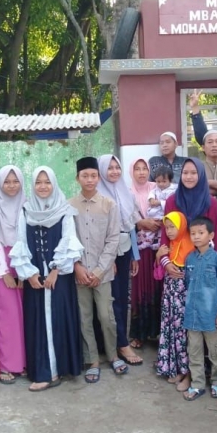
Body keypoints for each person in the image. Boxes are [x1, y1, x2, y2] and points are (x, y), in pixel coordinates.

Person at [10, 167, 85, 392]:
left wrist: (56, 270)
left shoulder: (65, 211)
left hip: (58, 277)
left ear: (54, 184)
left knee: (58, 319)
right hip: (34, 275)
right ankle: (44, 371)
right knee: (39, 323)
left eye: (47, 182)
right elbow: (21, 241)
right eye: (38, 182)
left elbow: (68, 239)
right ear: (33, 185)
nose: (43, 186)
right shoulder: (25, 210)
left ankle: (59, 368)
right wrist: (29, 273)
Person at [69, 157, 128, 383]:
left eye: (94, 175)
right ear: (78, 178)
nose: (90, 179)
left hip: (103, 273)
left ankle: (112, 355)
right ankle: (92, 359)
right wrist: (77, 267)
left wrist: (100, 270)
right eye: (85, 175)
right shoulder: (69, 205)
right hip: (79, 273)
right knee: (84, 317)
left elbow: (113, 239)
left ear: (98, 177)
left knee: (106, 315)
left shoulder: (109, 205)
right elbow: (68, 239)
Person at [96, 154, 143, 366]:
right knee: (110, 299)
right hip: (106, 254)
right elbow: (99, 232)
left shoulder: (125, 192)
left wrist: (134, 254)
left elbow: (130, 226)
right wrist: (109, 258)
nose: (114, 171)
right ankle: (118, 343)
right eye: (109, 168)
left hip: (124, 251)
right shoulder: (98, 195)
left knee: (123, 298)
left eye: (117, 167)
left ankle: (120, 342)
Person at [0, 165, 26, 385]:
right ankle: (7, 364)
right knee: (7, 317)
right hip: (3, 266)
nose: (11, 186)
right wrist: (5, 272)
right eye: (7, 182)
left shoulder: (28, 205)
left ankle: (27, 361)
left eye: (15, 181)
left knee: (28, 315)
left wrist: (24, 269)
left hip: (26, 263)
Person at [182, 216, 217, 401]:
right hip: (192, 316)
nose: (196, 237)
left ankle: (216, 381)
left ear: (210, 235)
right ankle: (197, 385)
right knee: (194, 352)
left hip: (212, 317)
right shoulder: (189, 259)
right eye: (193, 233)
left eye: (200, 233)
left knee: (215, 351)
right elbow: (187, 283)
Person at [155, 211, 193, 390]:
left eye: (173, 227)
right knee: (172, 330)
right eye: (167, 228)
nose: (169, 231)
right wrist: (160, 258)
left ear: (182, 226)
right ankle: (174, 368)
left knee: (183, 334)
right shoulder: (169, 245)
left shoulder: (192, 245)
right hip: (170, 300)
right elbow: (159, 270)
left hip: (185, 302)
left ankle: (186, 372)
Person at [128, 158, 162, 349]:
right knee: (140, 289)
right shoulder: (127, 192)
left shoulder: (156, 189)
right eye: (137, 169)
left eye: (144, 169)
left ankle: (157, 332)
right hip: (139, 248)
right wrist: (140, 223)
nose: (141, 172)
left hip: (158, 247)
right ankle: (139, 333)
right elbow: (124, 220)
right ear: (131, 172)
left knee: (158, 287)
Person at [161, 158, 217, 255]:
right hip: (176, 260)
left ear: (201, 175)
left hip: (204, 261)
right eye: (185, 173)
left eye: (193, 173)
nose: (188, 177)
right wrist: (165, 261)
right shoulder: (172, 201)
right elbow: (165, 232)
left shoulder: (211, 204)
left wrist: (215, 264)